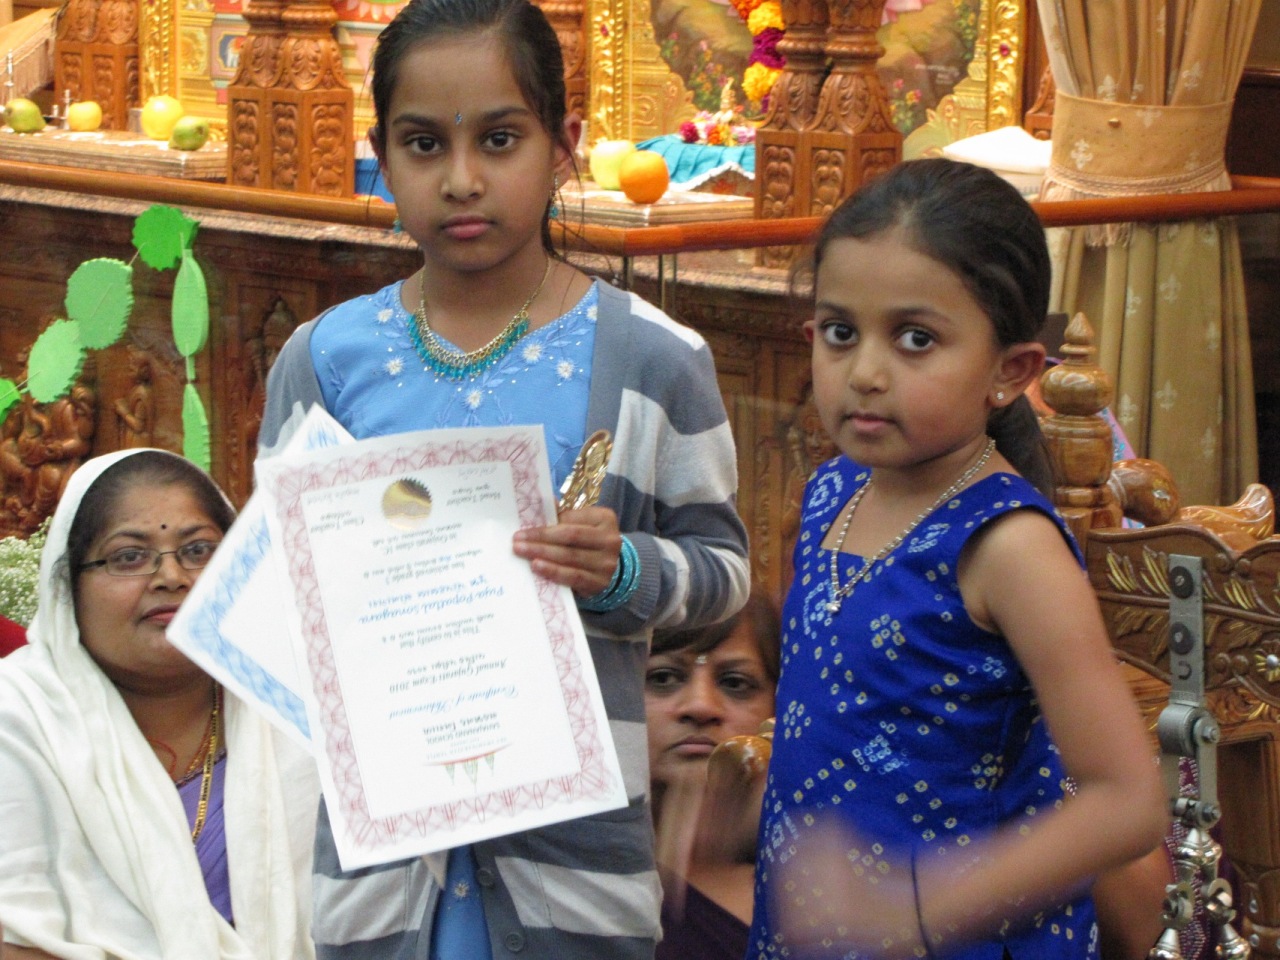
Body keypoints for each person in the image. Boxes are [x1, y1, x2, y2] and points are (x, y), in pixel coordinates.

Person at [257, 0, 750, 956]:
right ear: (381, 155)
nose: (463, 178)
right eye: (423, 144)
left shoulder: (651, 359)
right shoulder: (321, 364)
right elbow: (282, 598)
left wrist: (623, 572)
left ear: (565, 145)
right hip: (383, 870)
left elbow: (723, 571)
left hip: (571, 869)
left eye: (499, 138)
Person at [748, 158, 1167, 959]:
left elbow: (1129, 803)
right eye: (841, 332)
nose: (865, 373)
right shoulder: (837, 489)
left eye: (916, 339)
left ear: (1010, 372)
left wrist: (920, 905)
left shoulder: (1009, 545)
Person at [0, 449, 318, 960]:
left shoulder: (297, 702)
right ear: (68, 588)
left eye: (198, 550)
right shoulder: (19, 717)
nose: (171, 576)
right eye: (129, 556)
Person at [646, 590, 780, 960]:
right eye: (663, 677)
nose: (701, 706)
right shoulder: (570, 876)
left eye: (735, 683)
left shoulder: (813, 878)